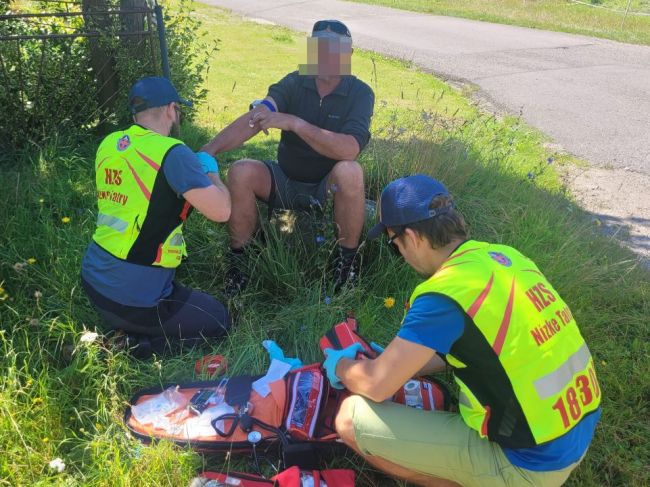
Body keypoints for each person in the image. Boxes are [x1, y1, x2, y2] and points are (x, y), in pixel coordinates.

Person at [324, 174, 602, 486]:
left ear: (413, 238)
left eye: (394, 244)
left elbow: (376, 386)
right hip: (573, 430)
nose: (399, 253)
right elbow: (488, 346)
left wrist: (342, 366)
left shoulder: (444, 294)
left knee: (350, 417)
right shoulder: (504, 258)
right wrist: (400, 365)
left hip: (527, 464)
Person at [202, 19, 375, 294]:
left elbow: (349, 149)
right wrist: (208, 150)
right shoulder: (295, 81)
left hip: (326, 184)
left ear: (348, 55)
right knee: (240, 171)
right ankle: (240, 263)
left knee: (351, 171)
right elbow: (257, 117)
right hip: (284, 178)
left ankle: (345, 268)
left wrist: (295, 123)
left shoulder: (360, 93)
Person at [81, 76, 232, 358]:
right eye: (177, 110)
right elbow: (221, 211)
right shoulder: (172, 152)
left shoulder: (110, 144)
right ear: (170, 109)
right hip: (131, 299)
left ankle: (128, 326)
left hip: (93, 281)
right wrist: (210, 171)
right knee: (218, 320)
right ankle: (135, 345)